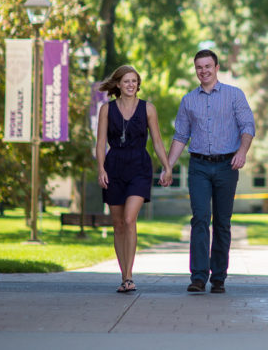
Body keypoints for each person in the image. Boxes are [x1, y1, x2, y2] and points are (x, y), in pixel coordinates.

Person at [162, 49, 255, 294]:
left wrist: (242, 152)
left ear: (216, 68)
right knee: (200, 219)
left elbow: (248, 125)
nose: (203, 71)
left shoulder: (235, 95)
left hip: (227, 165)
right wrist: (168, 166)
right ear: (196, 70)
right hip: (199, 166)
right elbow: (181, 136)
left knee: (222, 222)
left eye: (207, 66)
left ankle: (219, 277)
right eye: (199, 67)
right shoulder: (188, 100)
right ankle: (199, 277)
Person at [96, 65, 171, 293]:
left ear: (138, 85)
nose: (131, 85)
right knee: (118, 224)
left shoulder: (148, 109)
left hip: (139, 165)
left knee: (129, 219)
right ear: (118, 84)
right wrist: (101, 169)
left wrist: (167, 167)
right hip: (114, 164)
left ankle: (129, 276)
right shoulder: (106, 110)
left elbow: (157, 141)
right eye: (126, 81)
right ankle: (124, 277)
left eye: (134, 81)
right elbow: (100, 143)